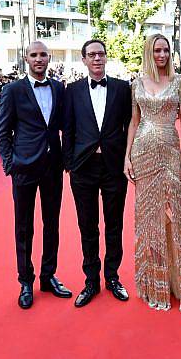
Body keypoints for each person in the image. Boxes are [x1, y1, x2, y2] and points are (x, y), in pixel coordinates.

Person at [126, 33, 181, 316]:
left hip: (169, 152)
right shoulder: (137, 83)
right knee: (149, 217)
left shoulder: (180, 83)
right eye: (156, 51)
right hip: (142, 154)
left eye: (165, 50)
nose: (162, 55)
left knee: (178, 215)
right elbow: (134, 121)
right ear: (148, 53)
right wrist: (126, 156)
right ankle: (156, 282)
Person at [0, 41, 69, 310]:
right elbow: (2, 131)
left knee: (52, 223)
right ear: (26, 58)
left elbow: (65, 125)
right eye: (34, 55)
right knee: (24, 226)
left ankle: (48, 276)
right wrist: (10, 164)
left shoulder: (59, 87)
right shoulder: (13, 90)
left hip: (52, 166)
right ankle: (25, 280)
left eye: (43, 55)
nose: (39, 59)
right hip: (24, 167)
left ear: (49, 58)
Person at [62, 39, 132, 307]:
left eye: (101, 54)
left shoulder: (122, 88)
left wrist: (128, 158)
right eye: (91, 55)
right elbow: (67, 129)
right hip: (83, 168)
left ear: (106, 57)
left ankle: (112, 277)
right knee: (87, 226)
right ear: (84, 60)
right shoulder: (73, 90)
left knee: (114, 225)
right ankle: (91, 280)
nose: (97, 59)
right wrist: (69, 163)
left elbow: (130, 125)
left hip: (114, 167)